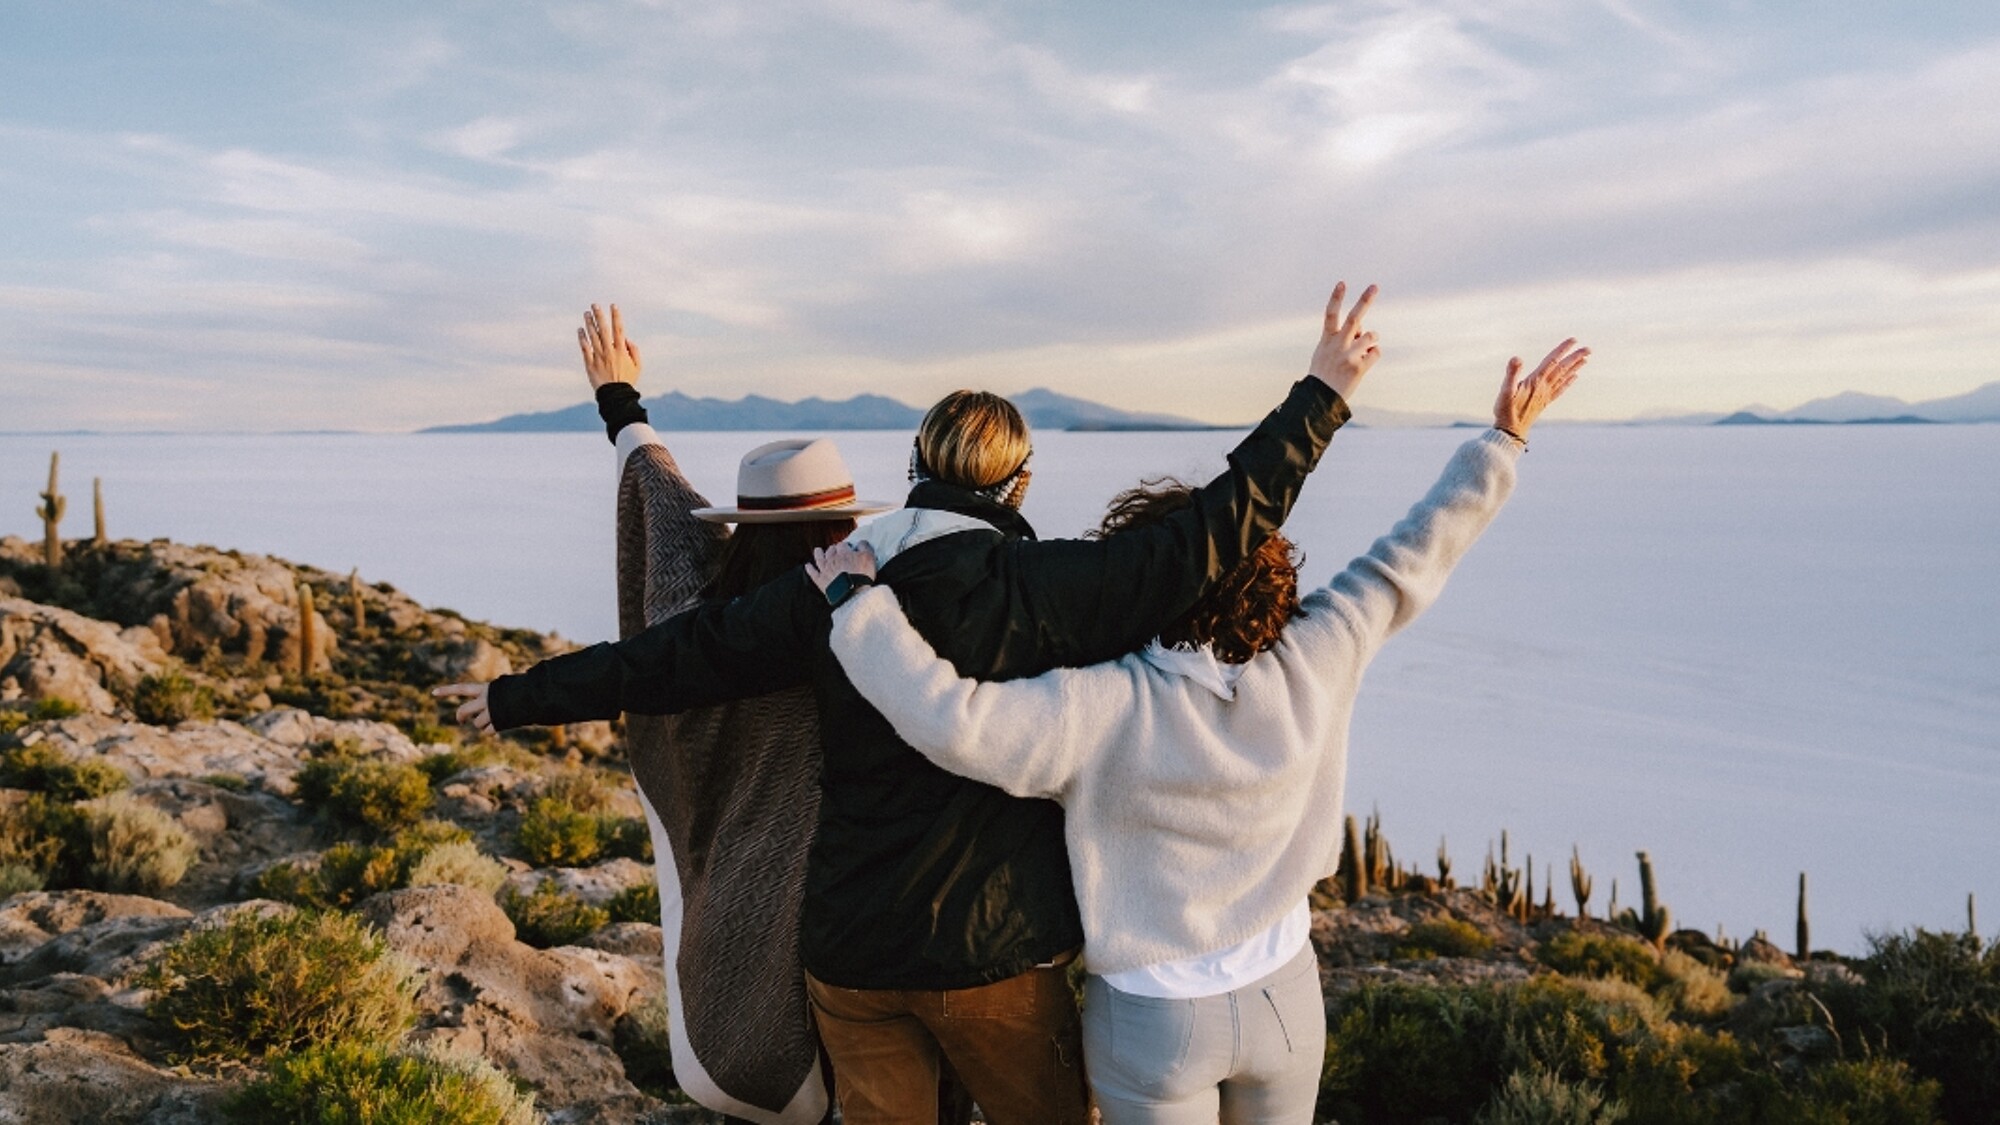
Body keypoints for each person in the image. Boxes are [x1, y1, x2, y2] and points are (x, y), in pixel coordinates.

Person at [441, 283, 1381, 1125]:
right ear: (1018, 483)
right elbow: (1218, 527)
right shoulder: (1043, 586)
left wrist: (515, 696)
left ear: (915, 465)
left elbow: (669, 656)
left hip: (852, 959)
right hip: (997, 960)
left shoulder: (829, 582)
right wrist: (1321, 395)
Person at [803, 339, 1589, 1123]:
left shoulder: (1099, 706)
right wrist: (1503, 443)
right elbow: (1413, 555)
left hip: (1154, 1016)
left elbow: (951, 719)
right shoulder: (1321, 651)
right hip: (1283, 990)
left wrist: (860, 608)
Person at [544, 305, 897, 1124]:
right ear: (843, 522)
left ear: (745, 521)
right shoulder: (874, 616)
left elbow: (661, 499)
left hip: (733, 887)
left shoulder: (696, 610)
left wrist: (622, 399)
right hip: (859, 907)